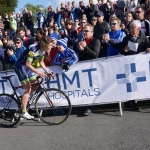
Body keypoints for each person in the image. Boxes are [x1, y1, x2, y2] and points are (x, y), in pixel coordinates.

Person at [103, 20, 150, 111]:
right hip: (129, 65)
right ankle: (133, 102)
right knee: (131, 83)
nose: (131, 30)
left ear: (139, 29)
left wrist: (148, 48)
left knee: (140, 83)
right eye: (130, 28)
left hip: (140, 65)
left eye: (133, 28)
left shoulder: (144, 38)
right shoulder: (126, 38)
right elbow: (120, 49)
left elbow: (147, 47)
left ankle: (141, 99)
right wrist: (124, 50)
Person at [14, 36, 54, 119]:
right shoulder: (33, 49)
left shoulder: (43, 50)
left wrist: (47, 71)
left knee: (36, 86)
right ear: (45, 45)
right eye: (50, 45)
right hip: (20, 66)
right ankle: (23, 112)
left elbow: (41, 62)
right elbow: (28, 64)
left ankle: (24, 100)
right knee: (28, 88)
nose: (51, 47)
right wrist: (39, 73)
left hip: (27, 68)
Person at [78, 23, 100, 116]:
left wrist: (85, 47)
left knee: (92, 87)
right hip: (84, 68)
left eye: (86, 31)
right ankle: (85, 105)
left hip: (92, 68)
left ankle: (90, 107)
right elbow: (81, 57)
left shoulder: (96, 41)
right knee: (85, 87)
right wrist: (81, 51)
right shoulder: (83, 41)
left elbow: (95, 55)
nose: (84, 32)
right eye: (83, 31)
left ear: (92, 31)